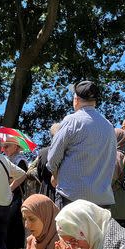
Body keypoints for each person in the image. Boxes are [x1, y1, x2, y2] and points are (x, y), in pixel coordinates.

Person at [47, 80, 116, 209]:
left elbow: (53, 158)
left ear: (76, 99)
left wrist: (55, 176)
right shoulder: (109, 126)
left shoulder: (72, 120)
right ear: (95, 101)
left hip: (72, 196)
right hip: (102, 200)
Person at [2, 135, 29, 249]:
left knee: (15, 227)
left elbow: (21, 178)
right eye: (3, 146)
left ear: (16, 147)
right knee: (9, 227)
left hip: (17, 198)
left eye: (7, 146)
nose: (4, 148)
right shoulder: (6, 160)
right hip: (8, 197)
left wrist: (8, 184)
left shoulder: (20, 160)